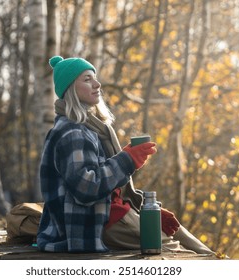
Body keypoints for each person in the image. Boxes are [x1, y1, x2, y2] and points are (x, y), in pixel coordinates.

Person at [36, 55, 214, 255]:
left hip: (110, 210)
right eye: (87, 79)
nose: (97, 84)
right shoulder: (72, 132)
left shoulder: (93, 127)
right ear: (70, 90)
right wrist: (127, 159)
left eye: (94, 78)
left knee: (177, 231)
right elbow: (86, 187)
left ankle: (223, 262)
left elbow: (111, 187)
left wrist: (144, 208)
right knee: (171, 247)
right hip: (92, 223)